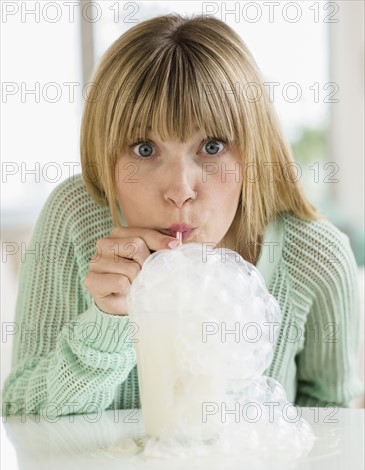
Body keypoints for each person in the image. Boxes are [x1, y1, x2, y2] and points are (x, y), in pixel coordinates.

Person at [2, 14, 362, 416]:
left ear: (253, 151)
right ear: (105, 155)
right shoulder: (74, 218)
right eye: (144, 149)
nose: (179, 192)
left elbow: (335, 428)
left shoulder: (316, 256)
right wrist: (108, 320)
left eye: (211, 147)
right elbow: (20, 415)